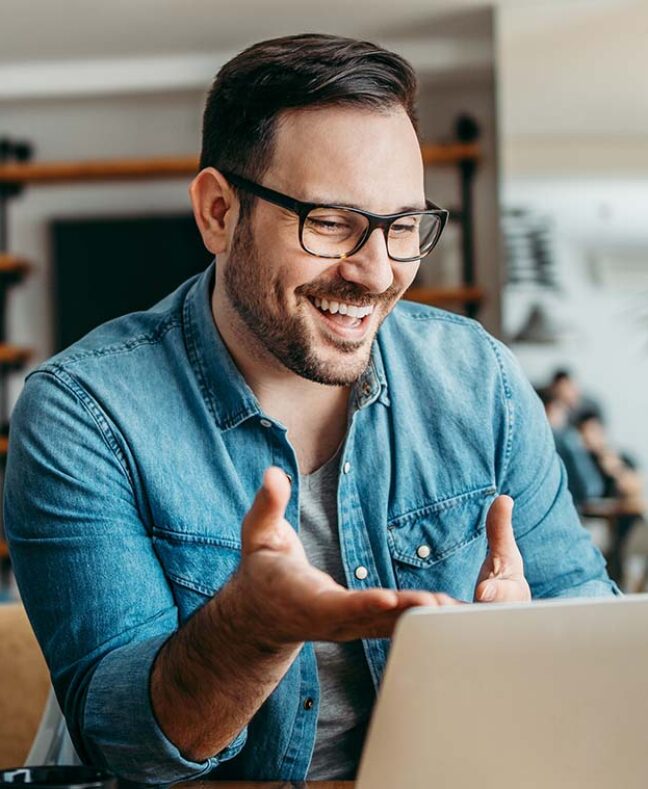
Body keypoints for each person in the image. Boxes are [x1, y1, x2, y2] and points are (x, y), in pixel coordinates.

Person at [4, 34, 618, 785]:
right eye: (330, 221)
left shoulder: (478, 378)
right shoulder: (82, 413)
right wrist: (250, 632)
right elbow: (124, 746)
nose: (377, 272)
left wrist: (528, 650)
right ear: (218, 212)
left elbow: (597, 635)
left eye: (402, 226)